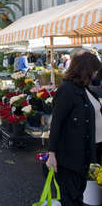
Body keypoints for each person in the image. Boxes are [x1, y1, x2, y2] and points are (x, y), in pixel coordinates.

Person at [46, 51, 102, 206]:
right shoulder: (67, 90)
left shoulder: (85, 89)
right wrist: (51, 154)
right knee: (70, 198)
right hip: (70, 157)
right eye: (94, 70)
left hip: (84, 155)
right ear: (86, 69)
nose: (96, 74)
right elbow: (57, 123)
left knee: (77, 196)